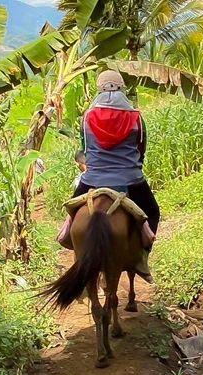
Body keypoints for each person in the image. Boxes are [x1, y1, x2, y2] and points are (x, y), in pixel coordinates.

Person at [58, 69, 160, 283]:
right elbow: (141, 149)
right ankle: (142, 258)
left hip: (92, 179)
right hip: (130, 178)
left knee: (71, 211)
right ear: (122, 88)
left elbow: (85, 148)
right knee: (152, 211)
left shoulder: (87, 117)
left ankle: (68, 238)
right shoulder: (136, 118)